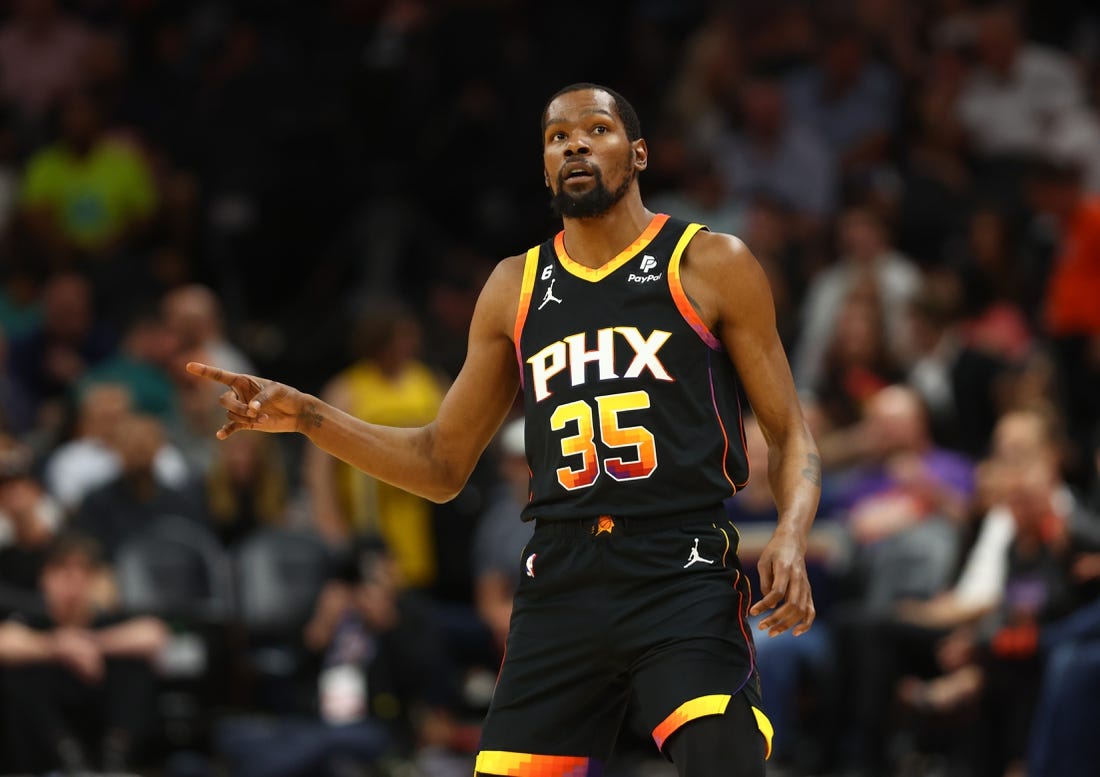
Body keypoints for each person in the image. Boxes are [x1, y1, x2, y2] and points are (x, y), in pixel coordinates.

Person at [187, 83, 820, 777]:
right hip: (560, 577)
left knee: (723, 761)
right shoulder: (512, 286)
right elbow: (439, 461)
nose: (575, 143)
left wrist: (790, 531)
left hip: (680, 567)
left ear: (638, 154)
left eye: (596, 129)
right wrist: (309, 415)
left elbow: (789, 433)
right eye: (557, 137)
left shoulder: (711, 262)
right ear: (545, 168)